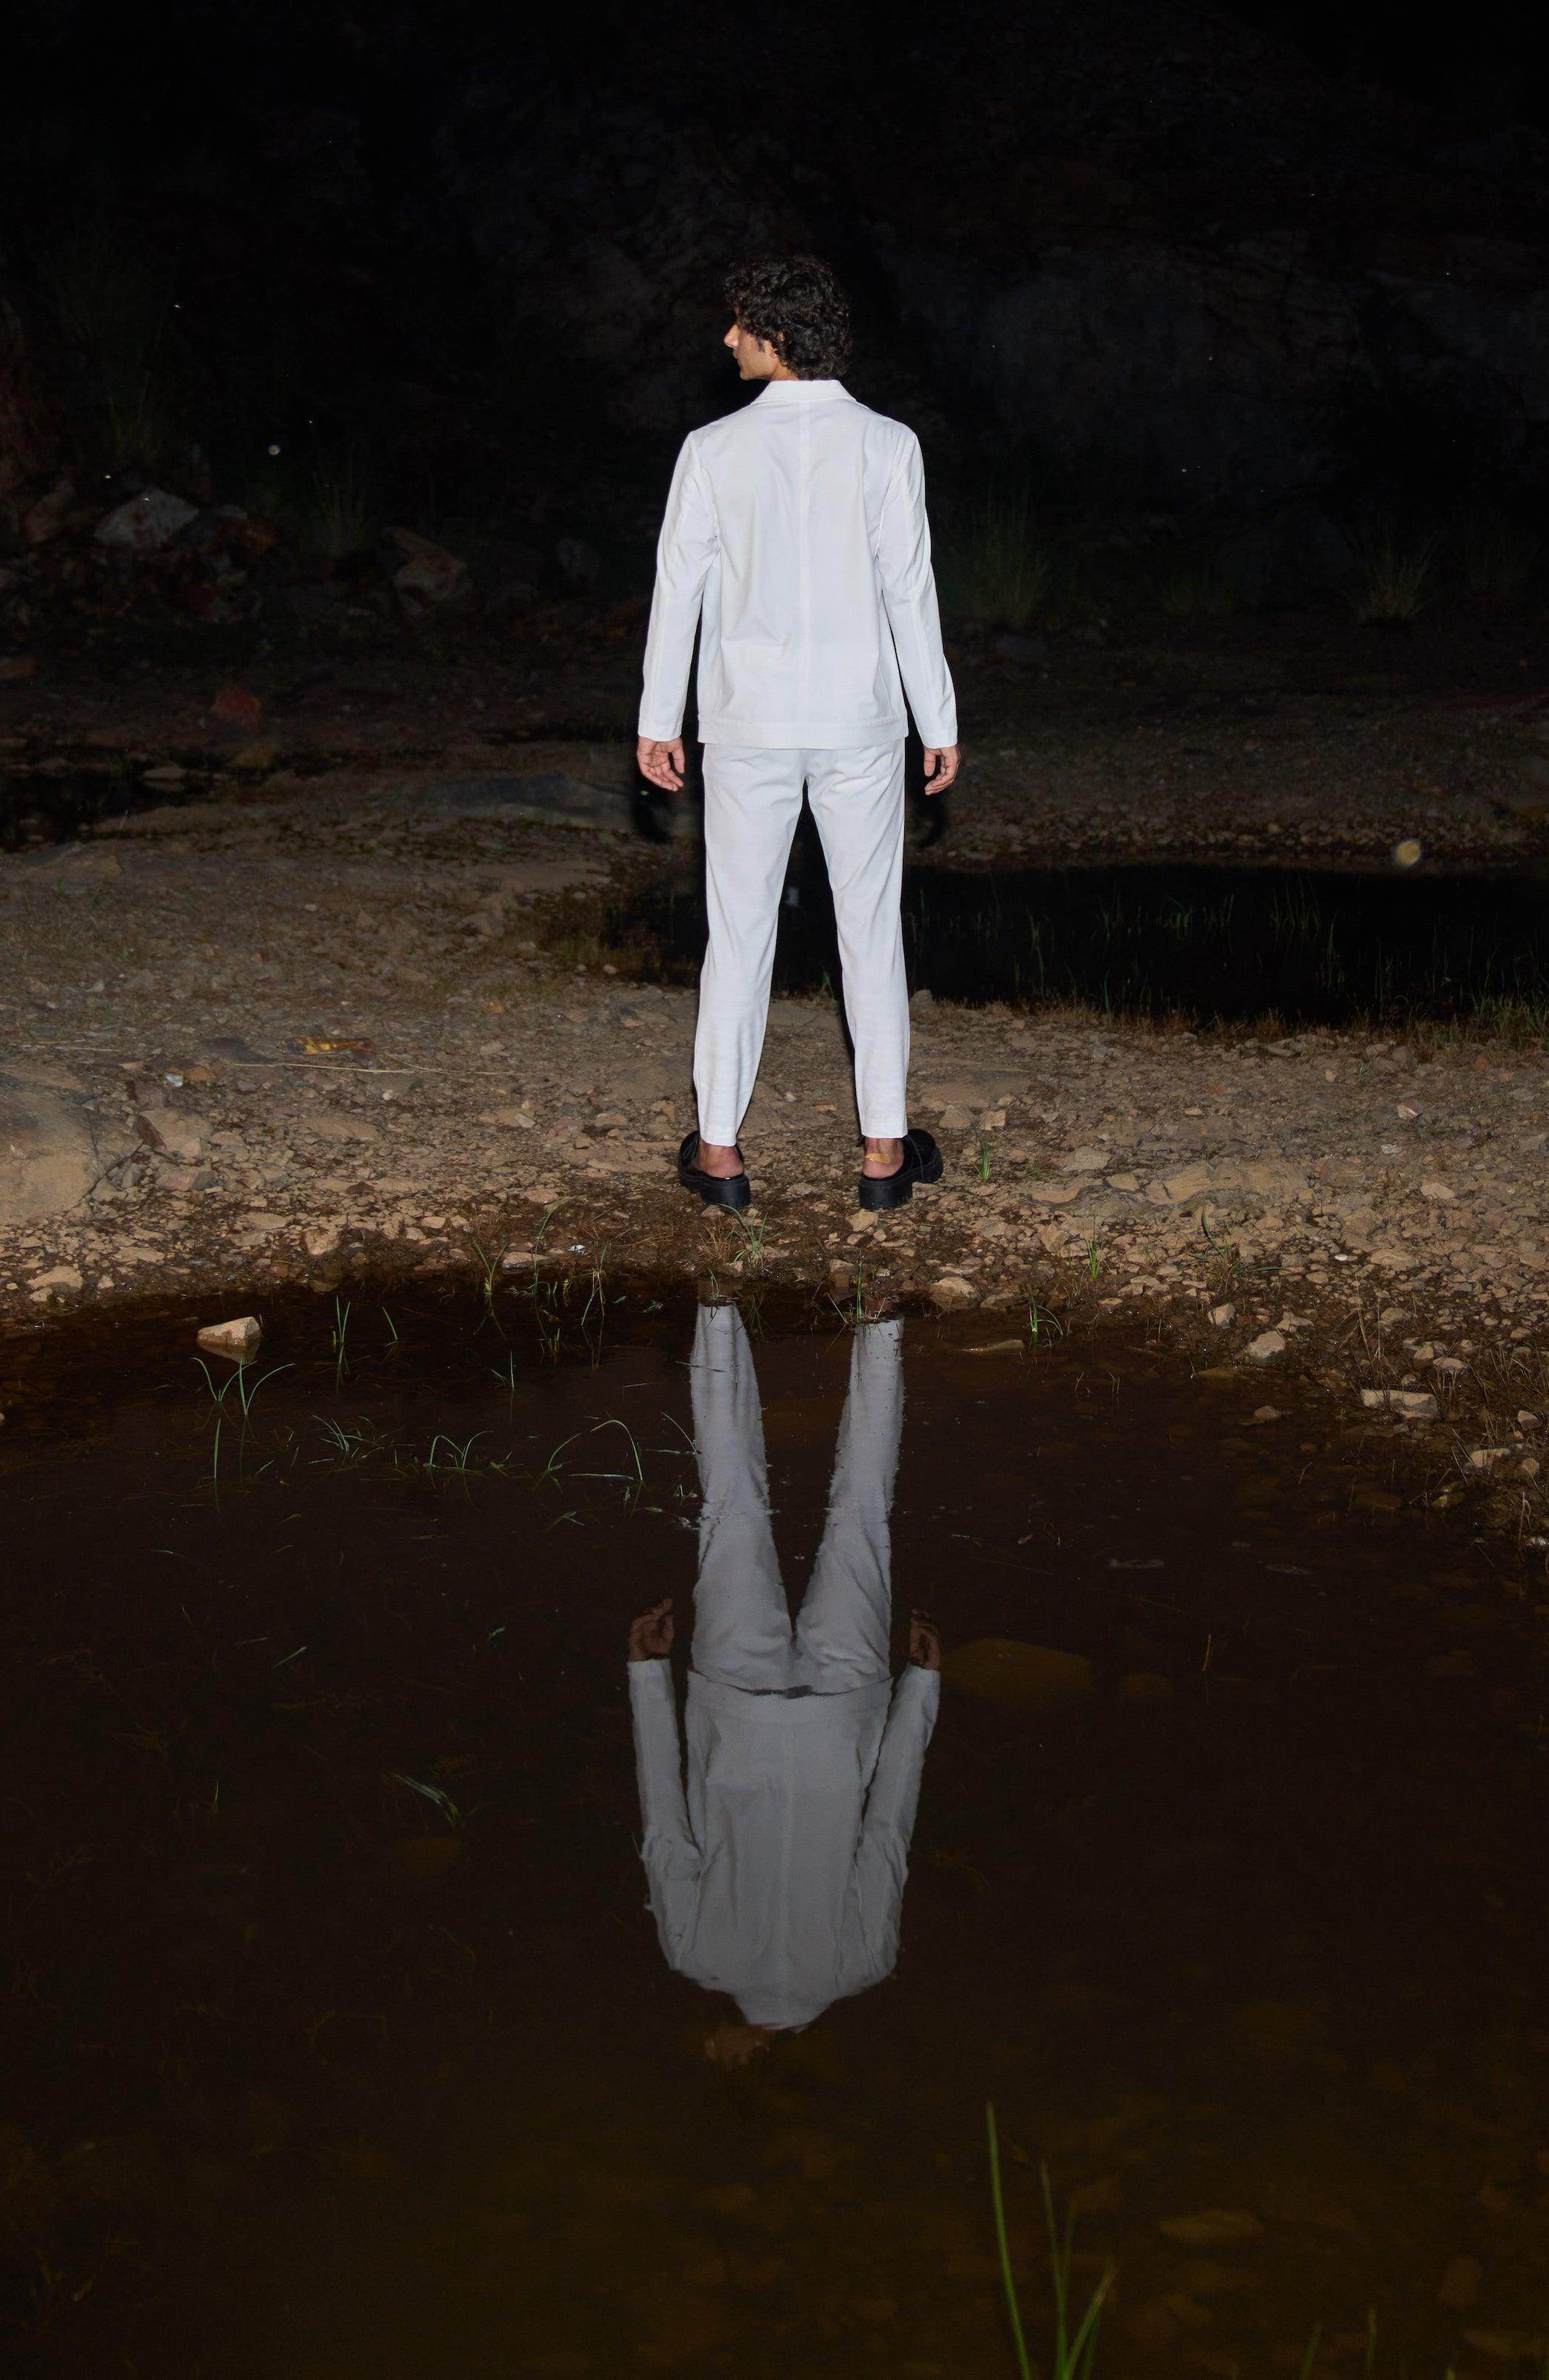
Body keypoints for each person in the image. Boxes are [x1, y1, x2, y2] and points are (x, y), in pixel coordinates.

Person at [636, 254, 960, 1212]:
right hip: (859, 719)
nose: (727, 338)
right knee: (869, 929)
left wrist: (658, 718)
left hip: (748, 722)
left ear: (776, 335)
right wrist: (936, 718)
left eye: (739, 323)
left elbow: (677, 590)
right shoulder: (887, 444)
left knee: (738, 933)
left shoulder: (711, 449)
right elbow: (908, 588)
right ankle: (882, 1153)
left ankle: (721, 1152)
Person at [627, 1302, 940, 2043]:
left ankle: (879, 1318)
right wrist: (647, 1677)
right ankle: (716, 1305)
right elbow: (663, 1825)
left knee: (862, 1517)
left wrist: (921, 1691)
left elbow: (887, 1831)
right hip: (735, 1709)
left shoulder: (860, 1966)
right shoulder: (695, 1958)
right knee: (729, 1507)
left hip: (840, 1714)